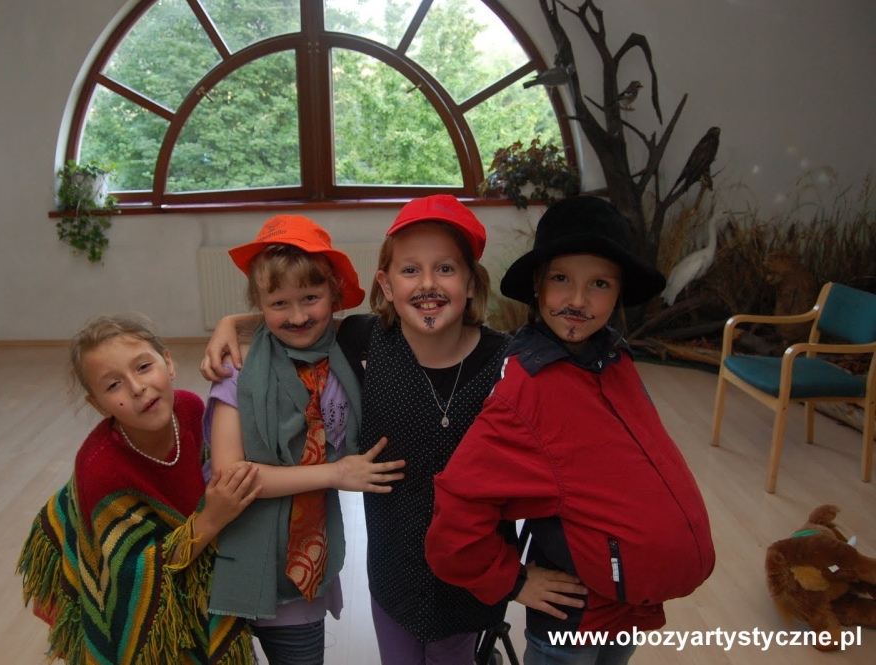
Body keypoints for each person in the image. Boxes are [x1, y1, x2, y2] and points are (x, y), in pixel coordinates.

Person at [202, 196, 571, 665]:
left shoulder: (508, 363)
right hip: (393, 577)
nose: (428, 283)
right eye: (410, 270)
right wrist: (230, 324)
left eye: (445, 269)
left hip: (470, 581)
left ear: (472, 283)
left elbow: (556, 468)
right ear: (386, 284)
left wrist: (517, 577)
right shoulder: (365, 341)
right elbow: (298, 318)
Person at [425, 196, 716, 665]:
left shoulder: (614, 359)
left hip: (628, 607)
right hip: (573, 624)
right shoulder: (527, 389)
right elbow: (456, 521)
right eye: (561, 279)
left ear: (619, 293)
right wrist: (514, 580)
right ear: (538, 285)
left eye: (599, 283)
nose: (578, 300)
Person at [204, 214, 406, 665]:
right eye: (279, 304)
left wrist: (231, 320)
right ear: (260, 304)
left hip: (304, 560)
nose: (297, 317)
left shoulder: (350, 349)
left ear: (334, 294)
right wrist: (335, 473)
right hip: (233, 555)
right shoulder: (237, 369)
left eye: (311, 298)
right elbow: (230, 475)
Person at [17, 312, 261, 664]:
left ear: (169, 364)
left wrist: (230, 323)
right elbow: (130, 575)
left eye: (144, 367)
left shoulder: (191, 409)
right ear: (97, 405)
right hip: (124, 562)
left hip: (187, 544)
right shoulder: (100, 469)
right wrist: (210, 520)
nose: (136, 388)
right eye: (113, 385)